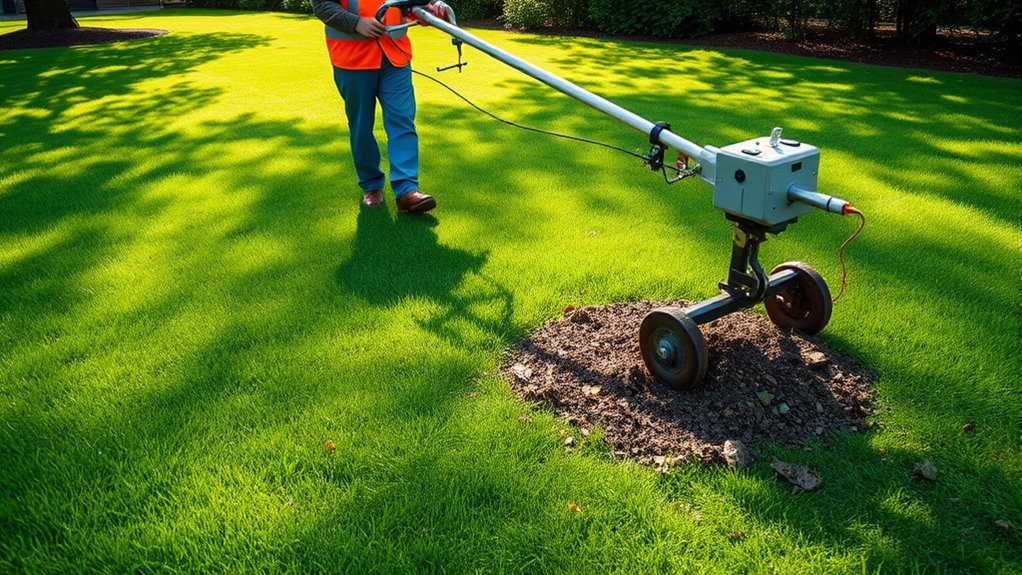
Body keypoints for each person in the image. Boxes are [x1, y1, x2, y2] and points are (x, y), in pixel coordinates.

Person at [312, 0, 448, 214]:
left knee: (402, 119)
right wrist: (355, 23)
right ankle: (371, 185)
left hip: (395, 58)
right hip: (353, 60)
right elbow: (322, 5)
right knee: (361, 127)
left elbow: (406, 5)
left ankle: (407, 191)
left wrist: (427, 10)